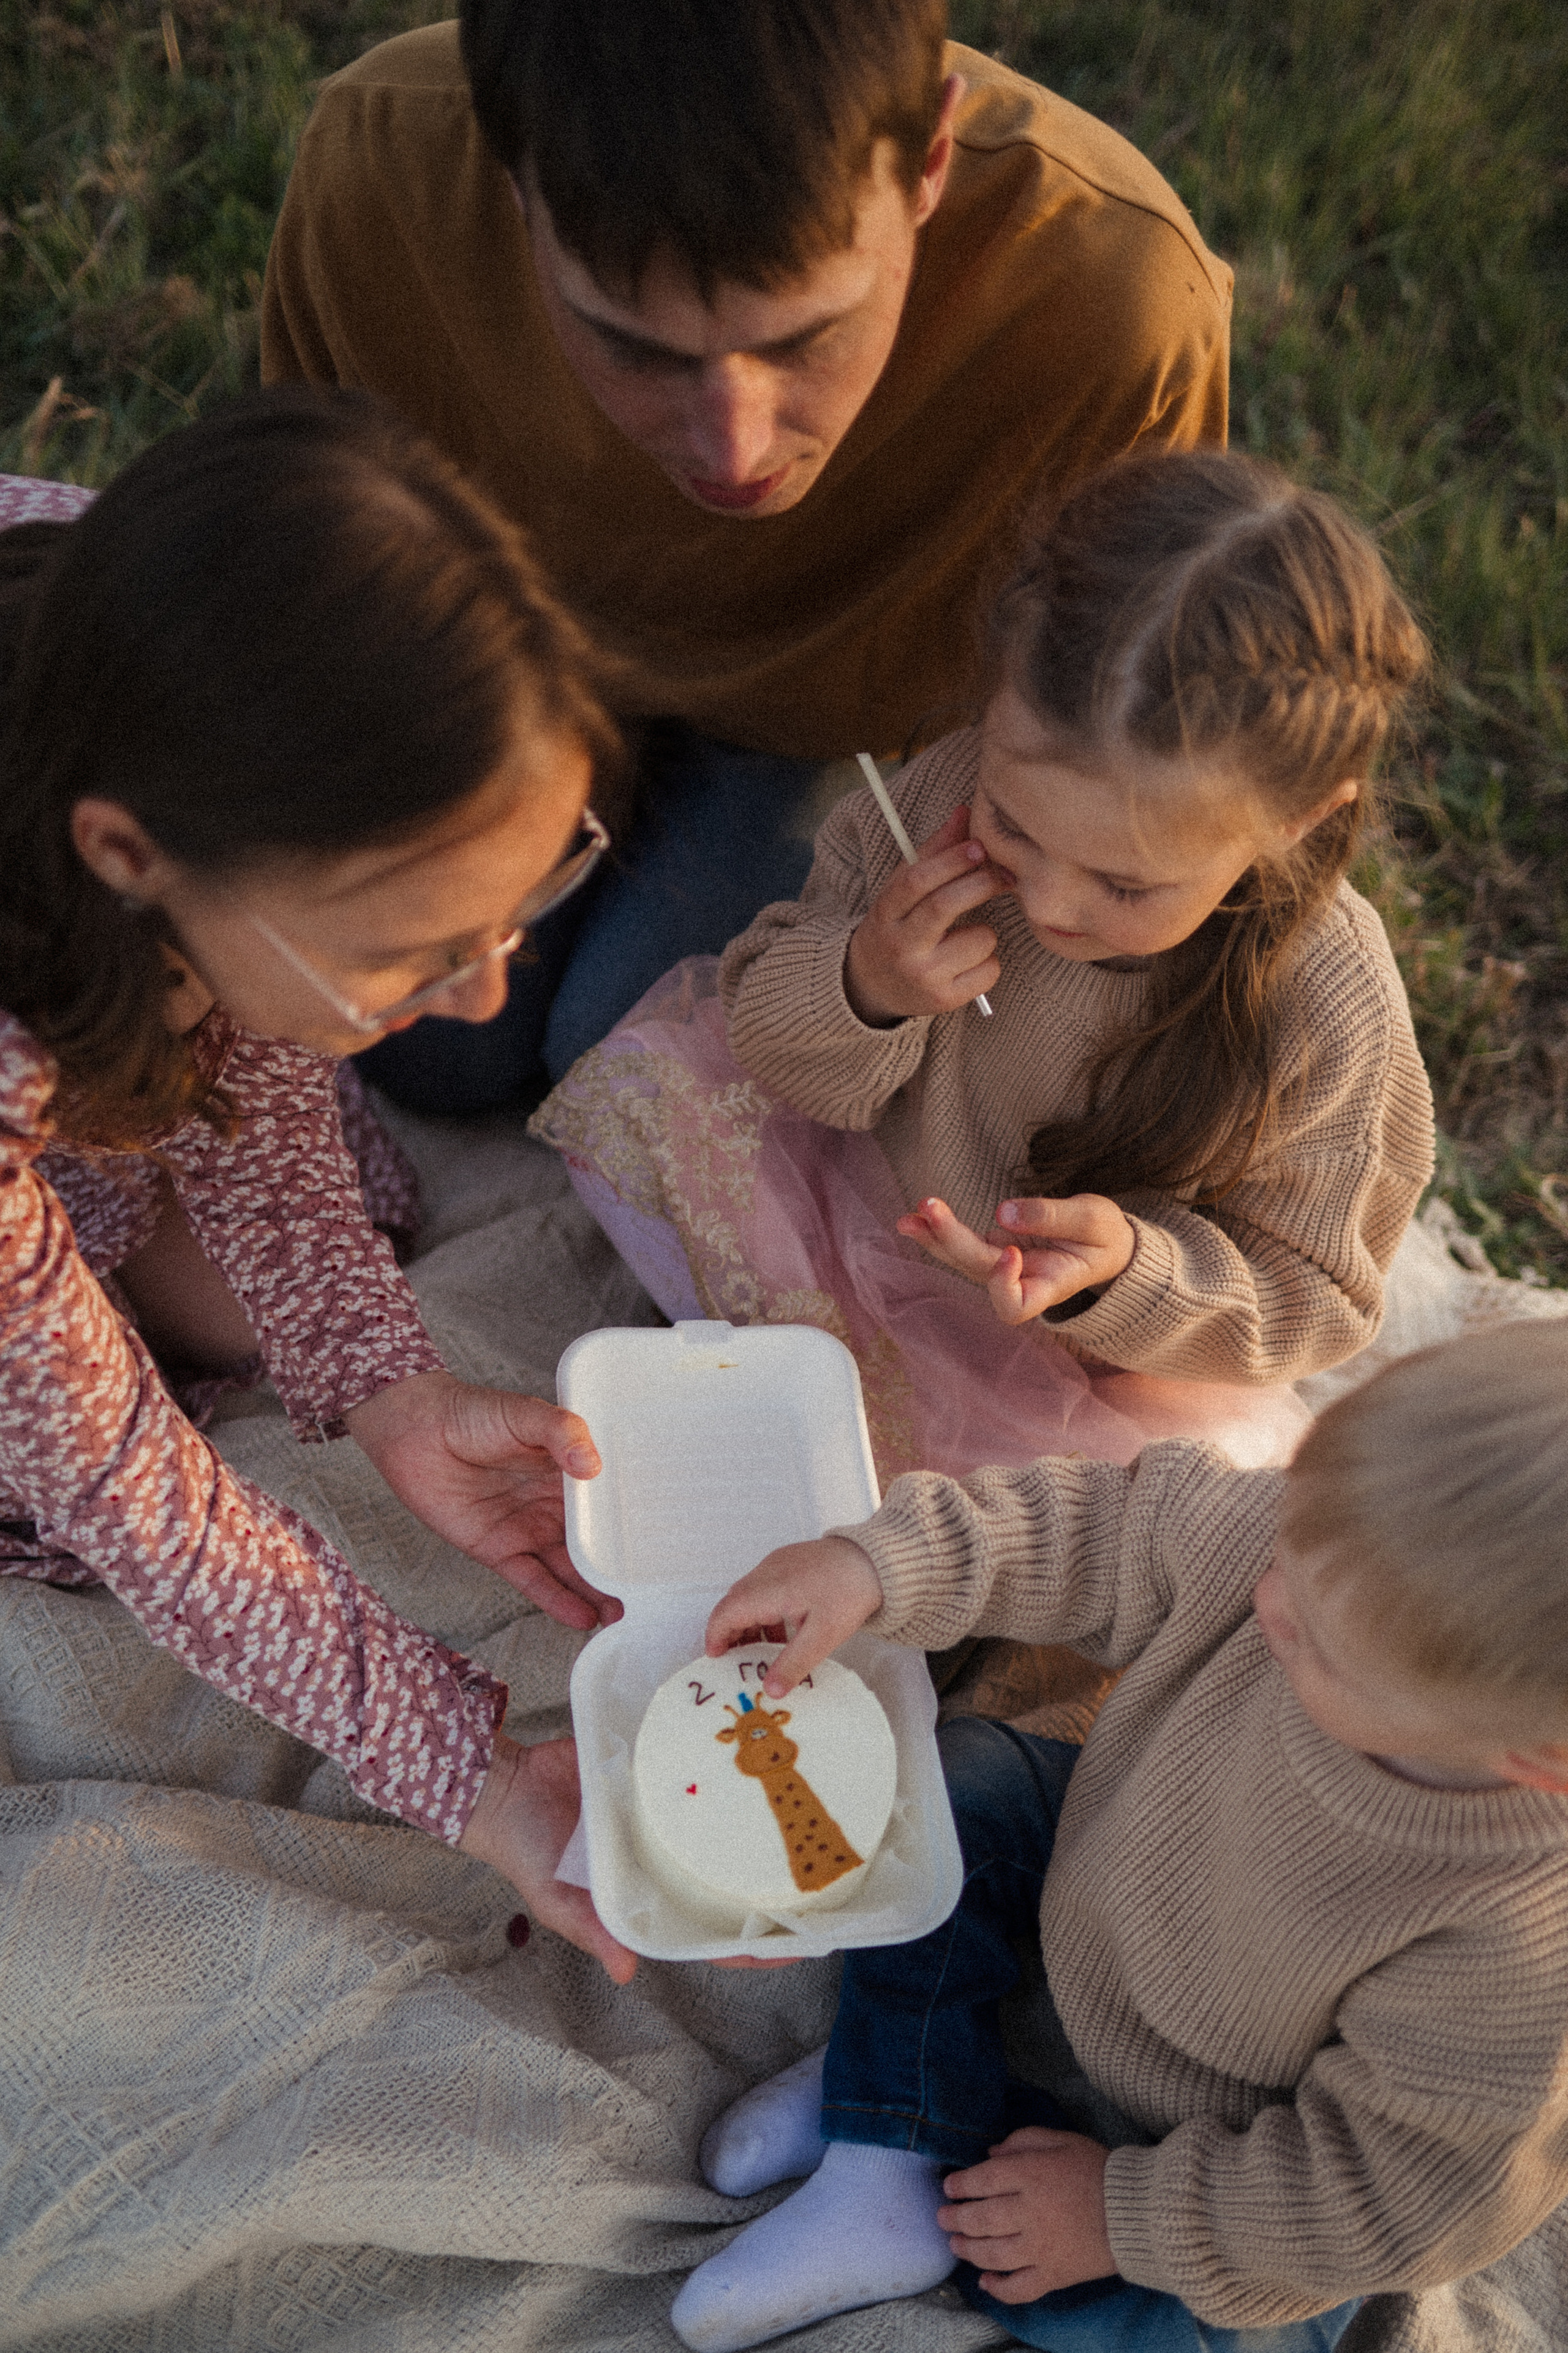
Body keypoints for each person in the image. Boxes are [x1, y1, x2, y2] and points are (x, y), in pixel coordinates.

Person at [260, 0, 1234, 1113]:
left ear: (928, 163)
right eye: (636, 348)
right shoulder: (381, 164)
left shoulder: (1112, 296)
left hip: (841, 730)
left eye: (807, 338)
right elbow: (320, 538)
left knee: (629, 1063)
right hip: (509, 650)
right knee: (437, 1051)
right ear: (513, 181)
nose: (737, 450)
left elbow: (1115, 707)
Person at [0, 388, 634, 1984]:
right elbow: (145, 1502)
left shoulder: (165, 644)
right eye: (412, 952)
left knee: (278, 1278)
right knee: (55, 1472)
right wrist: (472, 1775)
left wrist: (383, 1387)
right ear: (127, 858)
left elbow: (255, 1051)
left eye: (516, 910)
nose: (487, 995)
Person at [532, 450, 1436, 1481]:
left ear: (1297, 818)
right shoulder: (936, 803)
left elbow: (1316, 1295)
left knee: (1157, 1501)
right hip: (853, 1216)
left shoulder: (1327, 1007)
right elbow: (772, 1048)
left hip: (1074, 1367)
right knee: (670, 1100)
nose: (1046, 905)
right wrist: (867, 985)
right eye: (1013, 825)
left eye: (1125, 885)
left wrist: (1122, 1274)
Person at [669, 1320, 1568, 2351]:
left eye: (1319, 1642)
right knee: (954, 1788)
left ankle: (921, 2109)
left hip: (1218, 2124)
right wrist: (877, 1564)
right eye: (1291, 1523)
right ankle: (885, 2137)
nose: (1268, 1595)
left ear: (1538, 1759)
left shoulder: (1520, 1964)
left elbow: (1381, 2196)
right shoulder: (1326, 1544)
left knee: (1164, 2313)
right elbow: (1107, 1527)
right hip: (1108, 1858)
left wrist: (1119, 2215)